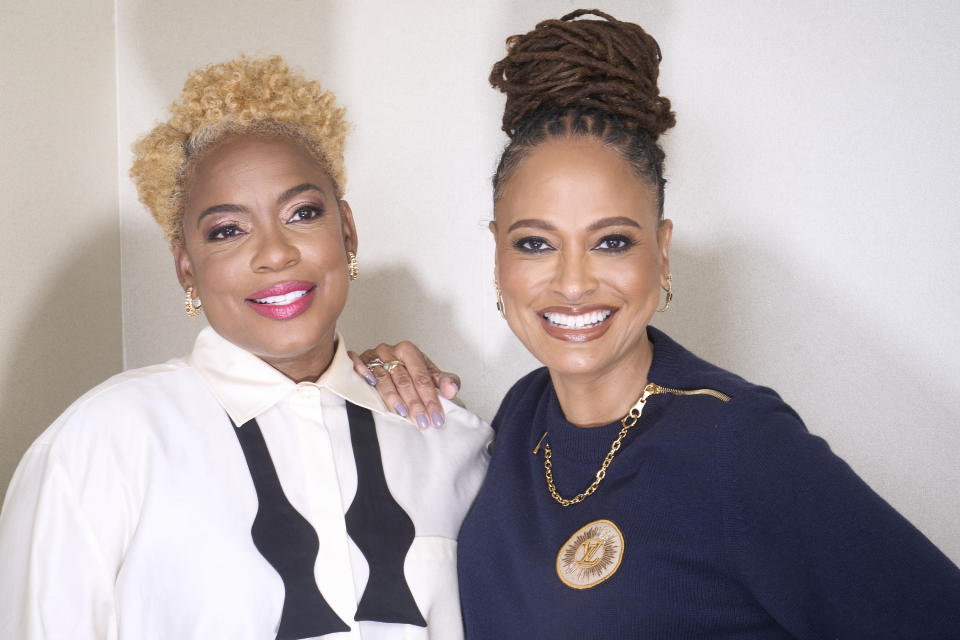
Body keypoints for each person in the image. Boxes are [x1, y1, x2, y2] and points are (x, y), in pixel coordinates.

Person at [353, 10, 960, 639]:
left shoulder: (738, 445)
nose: (572, 282)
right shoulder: (523, 417)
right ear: (497, 253)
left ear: (661, 250)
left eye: (611, 241)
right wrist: (358, 380)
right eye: (535, 244)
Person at [0, 56, 490, 640]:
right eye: (227, 230)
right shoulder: (102, 446)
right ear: (186, 268)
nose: (275, 253)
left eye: (302, 213)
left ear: (348, 232)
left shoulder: (447, 437)